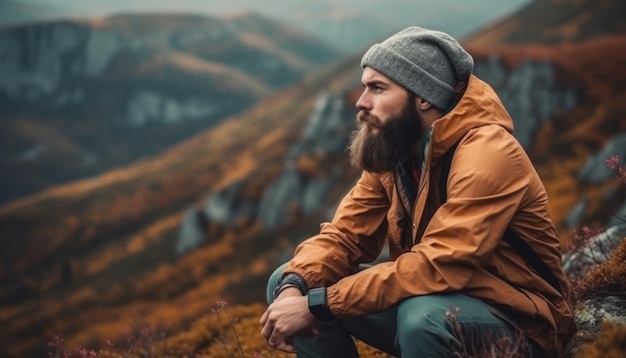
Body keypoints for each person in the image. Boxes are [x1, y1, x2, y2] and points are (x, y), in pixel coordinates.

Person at [260, 26, 577, 357]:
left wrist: (320, 305)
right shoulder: (395, 150)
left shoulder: (489, 152)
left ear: (423, 96)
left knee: (421, 319)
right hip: (436, 301)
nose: (361, 102)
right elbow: (344, 237)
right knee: (289, 280)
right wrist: (294, 290)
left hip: (525, 324)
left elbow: (438, 265)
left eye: (378, 88)